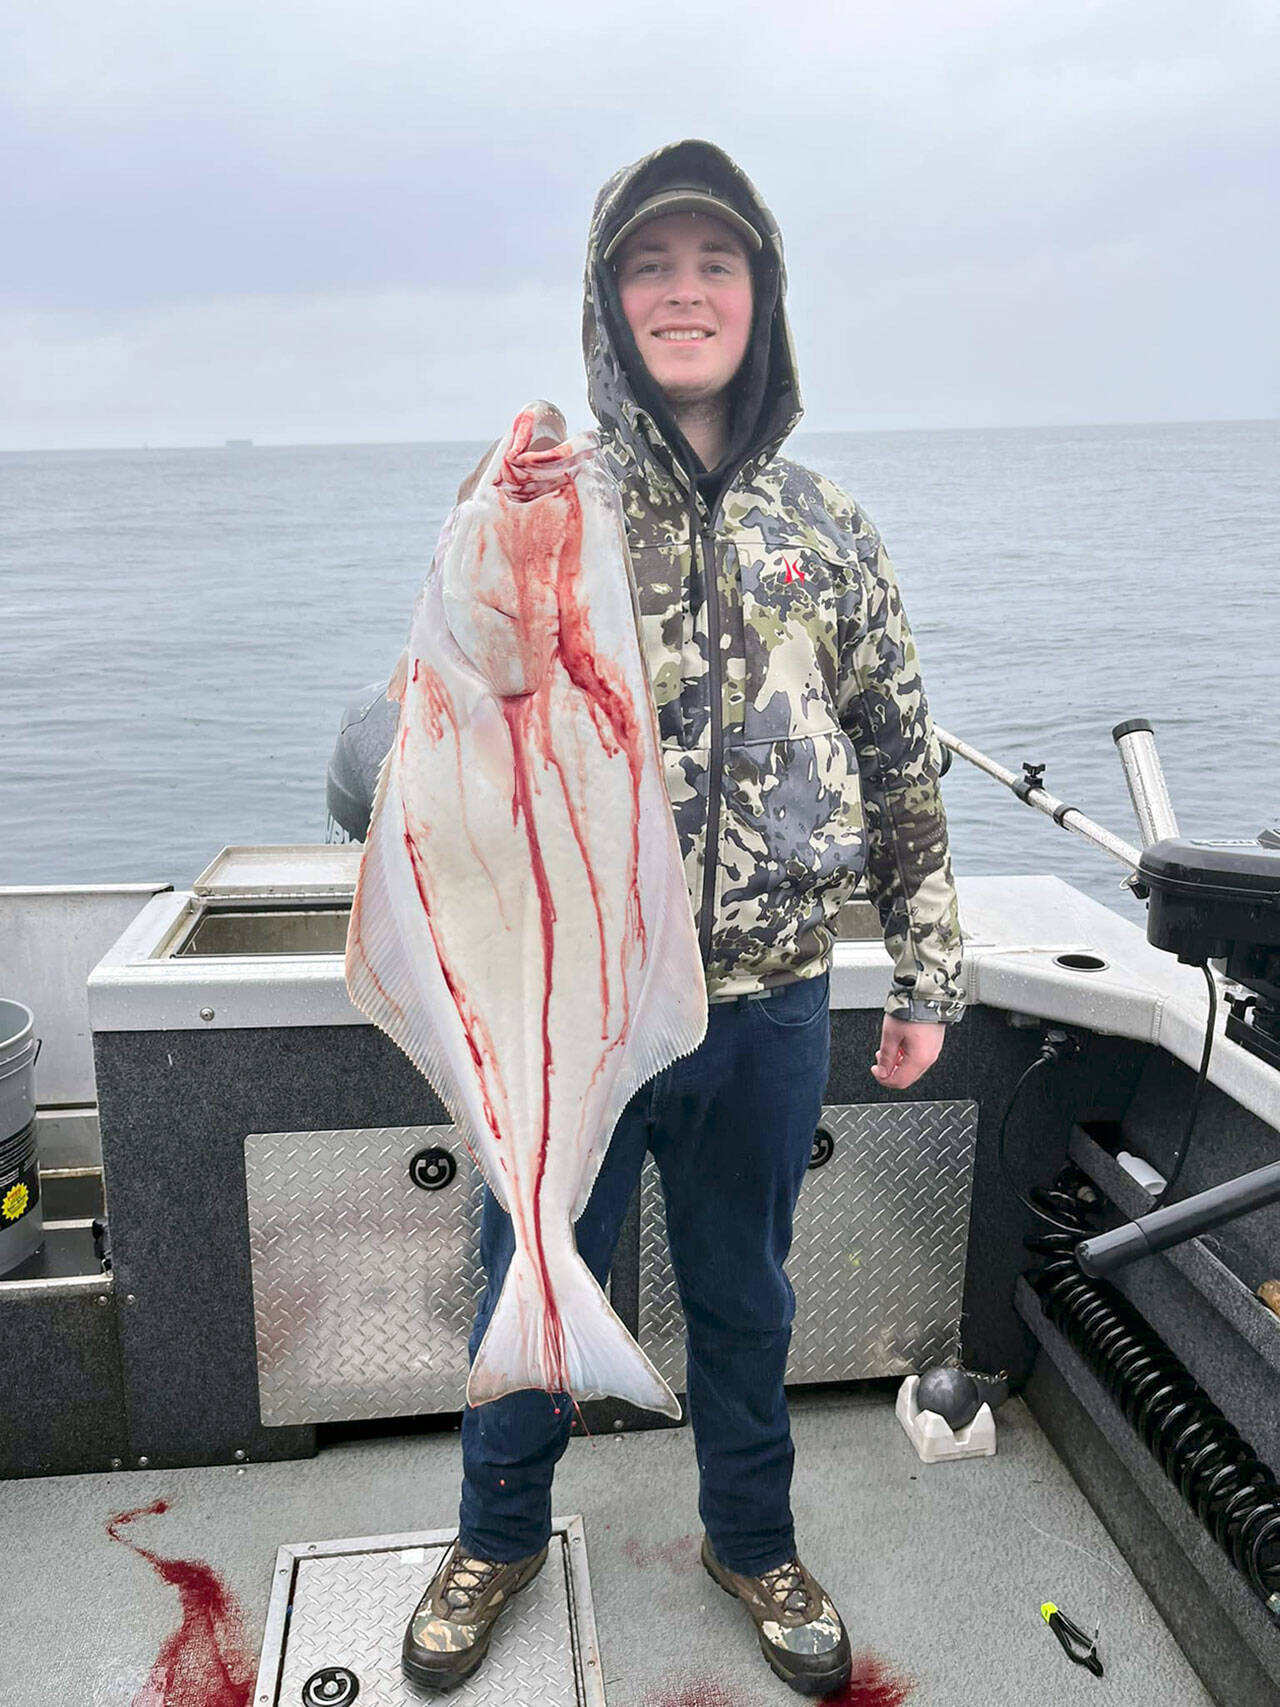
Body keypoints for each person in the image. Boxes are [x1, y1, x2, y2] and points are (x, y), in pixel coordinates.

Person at [400, 138, 966, 1697]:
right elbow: (450, 694)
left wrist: (924, 968)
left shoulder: (832, 526)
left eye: (715, 263)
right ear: (608, 304)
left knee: (748, 1293)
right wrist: (483, 514)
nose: (685, 292)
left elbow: (902, 754)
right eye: (652, 265)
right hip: (576, 1007)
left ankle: (751, 1535)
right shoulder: (546, 500)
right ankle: (498, 1536)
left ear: (760, 296)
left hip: (773, 995)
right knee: (528, 1264)